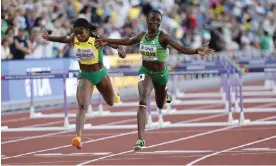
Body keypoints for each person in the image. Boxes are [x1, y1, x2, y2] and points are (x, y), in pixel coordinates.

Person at [95, 9, 215, 151]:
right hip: (146, 72)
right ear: (147, 20)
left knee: (160, 104)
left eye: (158, 20)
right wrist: (107, 40)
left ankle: (165, 94)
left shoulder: (163, 37)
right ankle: (140, 139)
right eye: (153, 19)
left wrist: (196, 51)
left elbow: (181, 48)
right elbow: (128, 41)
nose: (156, 23)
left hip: (160, 74)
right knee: (142, 100)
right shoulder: (142, 35)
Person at [42, 18, 126, 149]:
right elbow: (63, 38)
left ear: (87, 31)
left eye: (81, 33)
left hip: (101, 74)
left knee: (111, 102)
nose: (79, 36)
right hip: (85, 76)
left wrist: (121, 50)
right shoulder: (73, 38)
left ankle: (114, 91)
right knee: (82, 106)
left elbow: (116, 44)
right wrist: (48, 38)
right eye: (76, 33)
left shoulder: (97, 39)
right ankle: (78, 137)